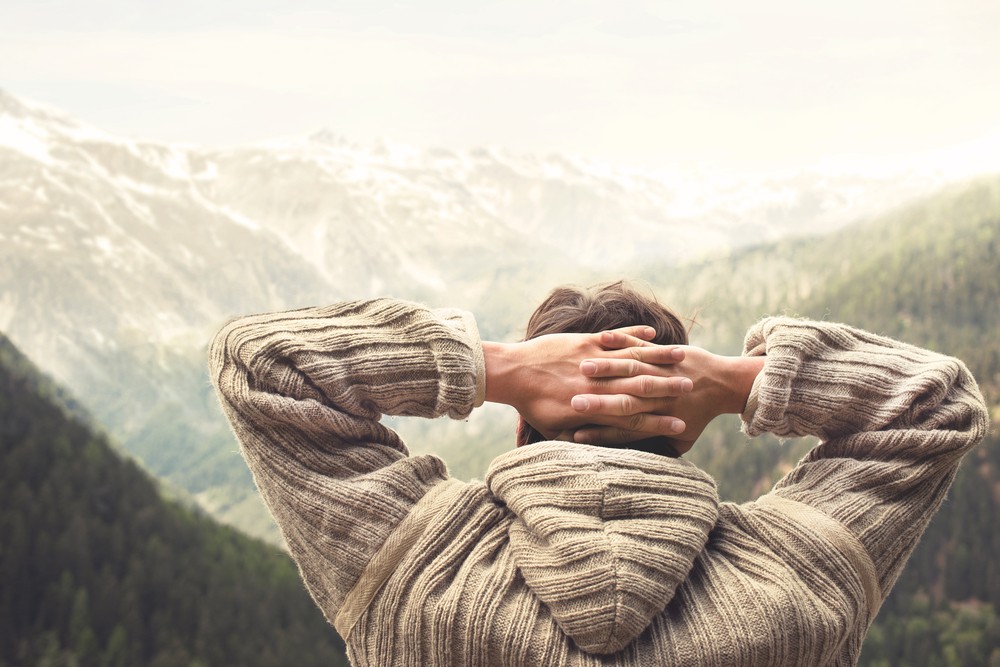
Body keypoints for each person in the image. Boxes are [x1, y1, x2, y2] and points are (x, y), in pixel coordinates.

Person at [209, 281, 988, 667]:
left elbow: (261, 364)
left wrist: (499, 368)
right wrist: (733, 381)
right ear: (681, 432)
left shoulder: (416, 569)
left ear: (524, 428)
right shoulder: (794, 583)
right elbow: (938, 403)